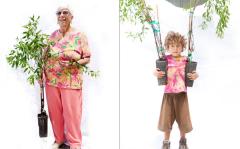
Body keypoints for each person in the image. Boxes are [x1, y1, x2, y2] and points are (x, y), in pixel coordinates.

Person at [42, 5, 91, 149]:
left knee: (72, 114)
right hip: (51, 81)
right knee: (55, 113)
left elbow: (87, 58)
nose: (61, 15)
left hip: (71, 81)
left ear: (71, 17)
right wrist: (40, 74)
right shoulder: (52, 36)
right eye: (58, 13)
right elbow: (43, 57)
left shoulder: (79, 35)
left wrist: (73, 64)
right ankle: (59, 139)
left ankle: (75, 144)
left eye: (65, 12)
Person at [154, 31, 198, 149]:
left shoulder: (185, 60)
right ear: (167, 47)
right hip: (168, 95)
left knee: (183, 119)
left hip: (182, 95)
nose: (175, 48)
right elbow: (157, 71)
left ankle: (182, 141)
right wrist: (156, 73)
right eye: (172, 46)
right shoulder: (165, 60)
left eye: (178, 45)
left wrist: (195, 75)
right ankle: (166, 142)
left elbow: (193, 73)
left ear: (182, 46)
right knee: (166, 119)